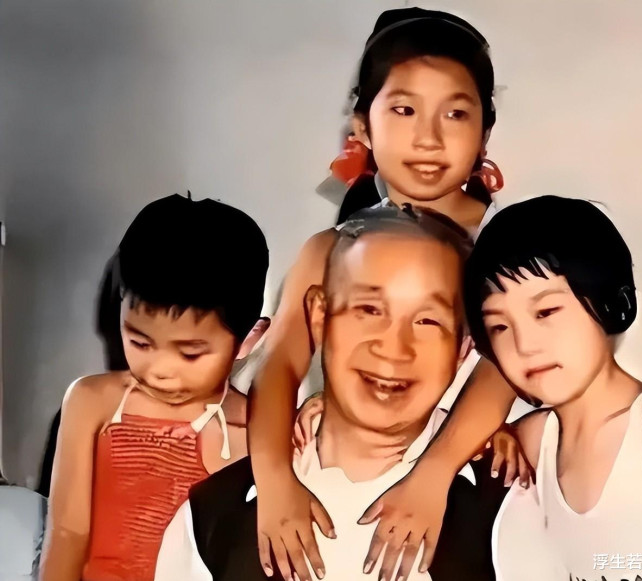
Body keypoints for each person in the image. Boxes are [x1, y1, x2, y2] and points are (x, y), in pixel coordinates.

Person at [248, 9, 525, 581]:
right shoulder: (329, 248)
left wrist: (435, 473)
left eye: (455, 113)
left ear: (484, 133)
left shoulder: (504, 250)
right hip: (347, 474)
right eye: (403, 110)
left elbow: (501, 370)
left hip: (469, 487)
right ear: (363, 127)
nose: (428, 138)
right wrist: (273, 480)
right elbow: (278, 366)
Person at [157, 204, 509, 581]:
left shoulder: (512, 504)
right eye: (369, 309)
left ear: (463, 348)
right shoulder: (211, 519)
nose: (394, 348)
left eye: (427, 320)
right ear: (319, 317)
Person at [463, 195, 642, 580]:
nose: (524, 345)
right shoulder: (533, 441)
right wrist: (491, 436)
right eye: (500, 326)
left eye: (545, 312)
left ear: (611, 301)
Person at [40, 194, 269, 581]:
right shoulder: (92, 402)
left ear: (248, 340)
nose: (160, 371)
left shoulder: (259, 431)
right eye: (140, 342)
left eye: (190, 354)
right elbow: (67, 534)